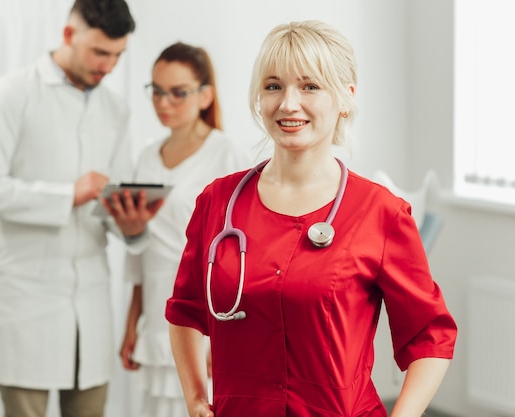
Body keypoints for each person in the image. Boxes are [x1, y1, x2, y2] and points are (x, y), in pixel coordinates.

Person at [166, 20, 457, 417]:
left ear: (345, 98)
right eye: (273, 86)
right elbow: (185, 310)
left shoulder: (380, 212)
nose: (288, 104)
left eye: (310, 86)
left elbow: (431, 336)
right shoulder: (218, 203)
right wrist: (196, 399)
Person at [0, 1, 161, 416]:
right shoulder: (13, 93)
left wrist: (132, 226)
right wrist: (67, 194)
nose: (108, 66)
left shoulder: (115, 109)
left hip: (90, 309)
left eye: (118, 56)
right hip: (26, 306)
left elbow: (112, 204)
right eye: (99, 52)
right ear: (69, 35)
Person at [118, 41, 250, 417]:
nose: (164, 102)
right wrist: (133, 323)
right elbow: (144, 251)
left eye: (177, 93)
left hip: (205, 319)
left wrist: (221, 339)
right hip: (156, 314)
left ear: (205, 95)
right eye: (156, 91)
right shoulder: (146, 157)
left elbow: (238, 258)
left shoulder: (227, 157)